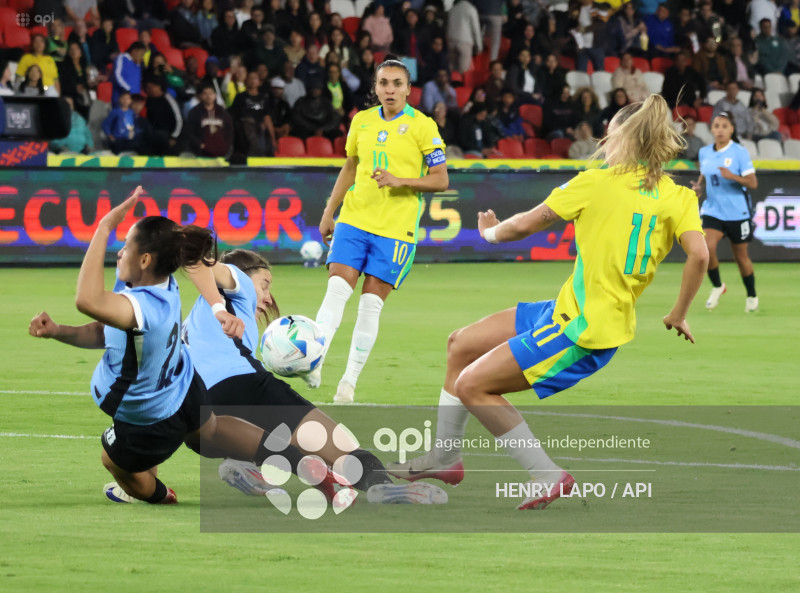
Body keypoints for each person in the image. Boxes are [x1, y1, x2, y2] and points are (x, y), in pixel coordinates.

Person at [388, 94, 709, 511]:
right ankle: (446, 458)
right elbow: (699, 255)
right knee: (460, 344)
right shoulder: (679, 197)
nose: (604, 138)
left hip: (582, 331)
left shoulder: (594, 182)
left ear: (623, 137)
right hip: (568, 308)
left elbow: (522, 226)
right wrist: (678, 313)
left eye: (609, 131)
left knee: (472, 385)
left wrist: (488, 232)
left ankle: (547, 475)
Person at [27, 187, 287, 505]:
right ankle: (292, 455)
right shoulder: (159, 282)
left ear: (146, 259)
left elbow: (87, 300)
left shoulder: (146, 307)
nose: (120, 253)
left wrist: (104, 227)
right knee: (211, 431)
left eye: (126, 247)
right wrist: (58, 331)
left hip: (150, 416)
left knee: (113, 462)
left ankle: (162, 496)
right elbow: (104, 330)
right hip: (184, 384)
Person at [181, 249, 447, 504]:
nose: (268, 297)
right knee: (339, 447)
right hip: (244, 387)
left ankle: (239, 462)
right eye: (265, 284)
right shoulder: (237, 282)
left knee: (261, 438)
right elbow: (203, 265)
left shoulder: (191, 323)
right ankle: (381, 487)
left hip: (194, 410)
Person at [311, 58, 449, 403]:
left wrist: (400, 180)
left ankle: (348, 383)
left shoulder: (423, 126)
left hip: (396, 230)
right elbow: (350, 166)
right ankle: (315, 361)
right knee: (336, 292)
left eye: (397, 83)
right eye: (384, 83)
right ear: (375, 87)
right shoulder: (362, 121)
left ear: (407, 89)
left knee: (370, 305)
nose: (390, 89)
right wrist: (330, 211)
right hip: (354, 220)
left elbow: (441, 179)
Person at [690, 112, 759, 312]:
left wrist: (733, 177)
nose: (720, 129)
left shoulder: (739, 152)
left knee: (741, 258)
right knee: (706, 248)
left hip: (738, 213)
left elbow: (753, 183)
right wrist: (698, 189)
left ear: (732, 129)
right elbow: (705, 178)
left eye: (724, 126)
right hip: (713, 210)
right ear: (711, 129)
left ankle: (752, 295)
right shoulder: (705, 152)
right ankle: (718, 286)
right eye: (716, 126)